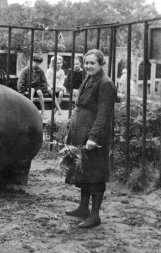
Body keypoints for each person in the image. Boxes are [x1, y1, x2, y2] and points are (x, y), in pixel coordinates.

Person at [64, 49, 117, 229]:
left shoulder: (105, 84)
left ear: (101, 64)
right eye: (86, 63)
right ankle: (82, 209)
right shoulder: (88, 79)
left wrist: (93, 138)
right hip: (80, 132)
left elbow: (104, 114)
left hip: (94, 137)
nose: (88, 66)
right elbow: (79, 107)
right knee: (83, 171)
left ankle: (95, 215)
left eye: (92, 63)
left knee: (95, 174)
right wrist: (71, 131)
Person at [17, 54, 48, 119]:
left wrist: (44, 89)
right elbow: (21, 79)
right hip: (27, 86)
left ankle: (43, 110)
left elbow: (44, 80)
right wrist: (22, 89)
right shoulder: (26, 70)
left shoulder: (40, 71)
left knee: (39, 91)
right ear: (31, 62)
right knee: (32, 90)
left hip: (36, 86)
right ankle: (30, 109)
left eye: (38, 62)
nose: (36, 64)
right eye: (34, 62)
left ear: (39, 63)